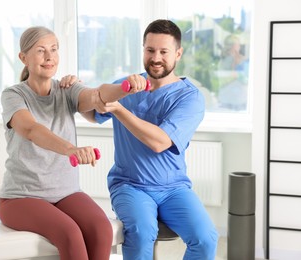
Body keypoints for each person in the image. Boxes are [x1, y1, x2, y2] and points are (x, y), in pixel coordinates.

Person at [0, 26, 147, 260]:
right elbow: (30, 129)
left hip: (65, 193)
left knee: (101, 229)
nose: (50, 57)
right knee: (70, 233)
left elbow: (97, 96)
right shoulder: (13, 95)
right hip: (21, 197)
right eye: (41, 50)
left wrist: (124, 88)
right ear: (23, 58)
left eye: (54, 49)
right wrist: (71, 149)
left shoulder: (66, 89)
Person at [90, 19, 219, 259]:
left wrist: (118, 109)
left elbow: (160, 142)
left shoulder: (190, 98)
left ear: (178, 54)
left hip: (174, 188)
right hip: (130, 184)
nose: (156, 57)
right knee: (141, 233)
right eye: (150, 50)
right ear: (143, 50)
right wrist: (74, 87)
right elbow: (92, 112)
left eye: (164, 51)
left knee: (206, 239)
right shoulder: (126, 86)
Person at [217, 34, 249, 110]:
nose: (240, 47)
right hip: (235, 100)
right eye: (238, 45)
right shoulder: (232, 60)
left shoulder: (223, 60)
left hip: (227, 98)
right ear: (234, 46)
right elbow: (244, 80)